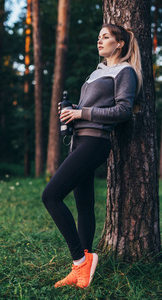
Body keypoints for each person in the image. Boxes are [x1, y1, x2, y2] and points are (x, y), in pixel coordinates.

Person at [42, 23, 142, 289]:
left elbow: (122, 111)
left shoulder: (125, 71)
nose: (100, 41)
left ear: (119, 43)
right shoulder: (97, 72)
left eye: (106, 37)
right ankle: (83, 272)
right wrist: (74, 111)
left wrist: (81, 113)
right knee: (84, 205)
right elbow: (93, 107)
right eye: (99, 37)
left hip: (96, 142)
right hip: (79, 141)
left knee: (50, 196)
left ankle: (79, 261)